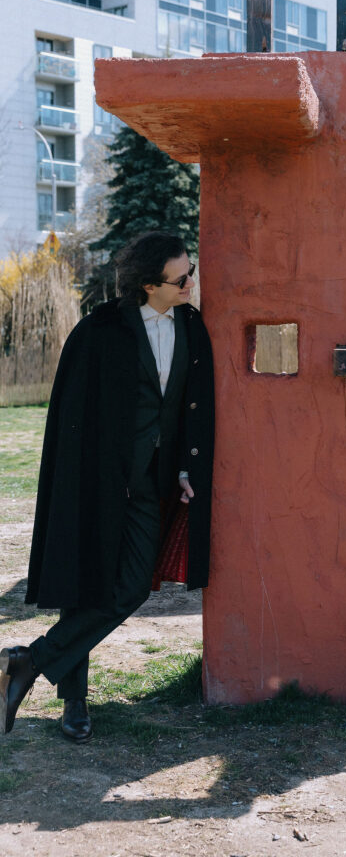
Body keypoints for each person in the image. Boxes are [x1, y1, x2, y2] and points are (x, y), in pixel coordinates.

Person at [1, 231, 214, 741]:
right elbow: (72, 413)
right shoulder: (99, 330)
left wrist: (187, 467)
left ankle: (29, 661)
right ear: (147, 285)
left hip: (150, 481)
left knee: (134, 585)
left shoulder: (192, 325)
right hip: (97, 479)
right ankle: (74, 702)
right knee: (86, 580)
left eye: (191, 272)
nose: (191, 282)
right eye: (181, 277)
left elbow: (193, 403)